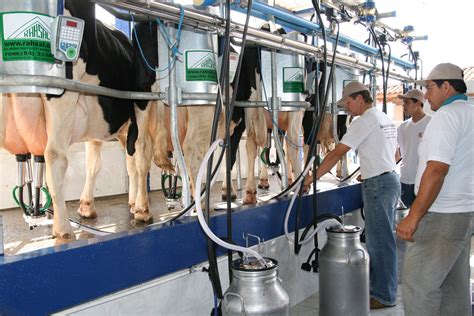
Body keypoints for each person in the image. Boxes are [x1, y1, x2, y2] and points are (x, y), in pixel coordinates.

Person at [306, 81, 400, 309]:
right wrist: (370, 169)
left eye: (347, 102)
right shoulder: (384, 118)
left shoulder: (364, 121)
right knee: (384, 239)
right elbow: (395, 153)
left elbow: (336, 154)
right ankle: (383, 289)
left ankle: (384, 295)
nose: (346, 108)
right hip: (389, 180)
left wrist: (310, 178)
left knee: (379, 242)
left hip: (379, 185)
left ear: (359, 98)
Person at [396, 63, 474, 316]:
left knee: (419, 285)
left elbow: (437, 169)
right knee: (455, 285)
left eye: (429, 88)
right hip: (464, 213)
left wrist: (414, 216)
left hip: (441, 213)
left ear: (446, 86)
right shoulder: (470, 112)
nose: (426, 96)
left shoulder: (446, 116)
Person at [396, 89, 431, 207]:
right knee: (407, 215)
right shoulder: (402, 127)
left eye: (407, 102)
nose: (403, 105)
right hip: (406, 179)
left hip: (424, 180)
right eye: (403, 102)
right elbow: (400, 153)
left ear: (417, 103)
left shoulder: (431, 123)